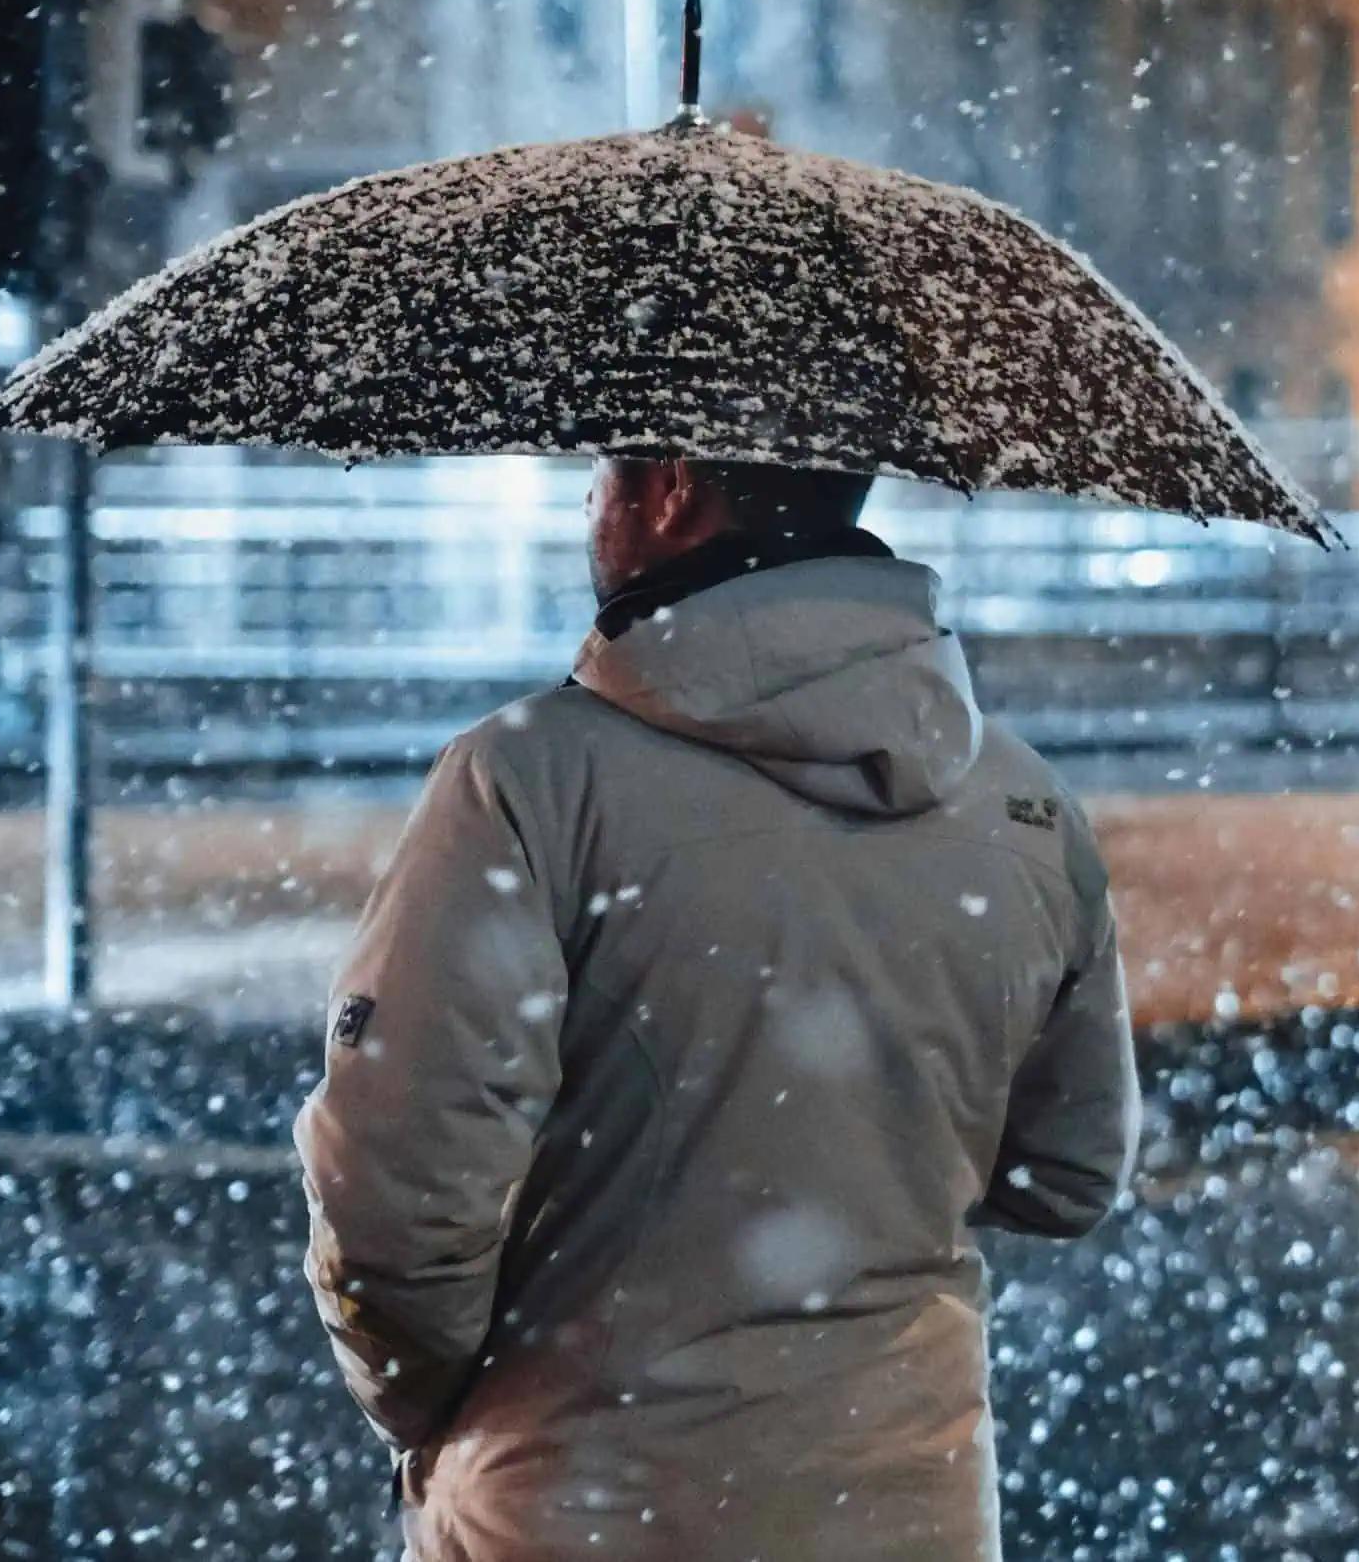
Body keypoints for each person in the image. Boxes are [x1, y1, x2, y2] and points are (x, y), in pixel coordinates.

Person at [293, 456, 1142, 1562]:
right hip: (907, 1506)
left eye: (603, 472)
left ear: (672, 488)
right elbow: (1069, 1172)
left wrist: (443, 1415)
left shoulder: (531, 782)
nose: (589, 505)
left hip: (585, 1509)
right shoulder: (1022, 805)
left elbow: (399, 1201)